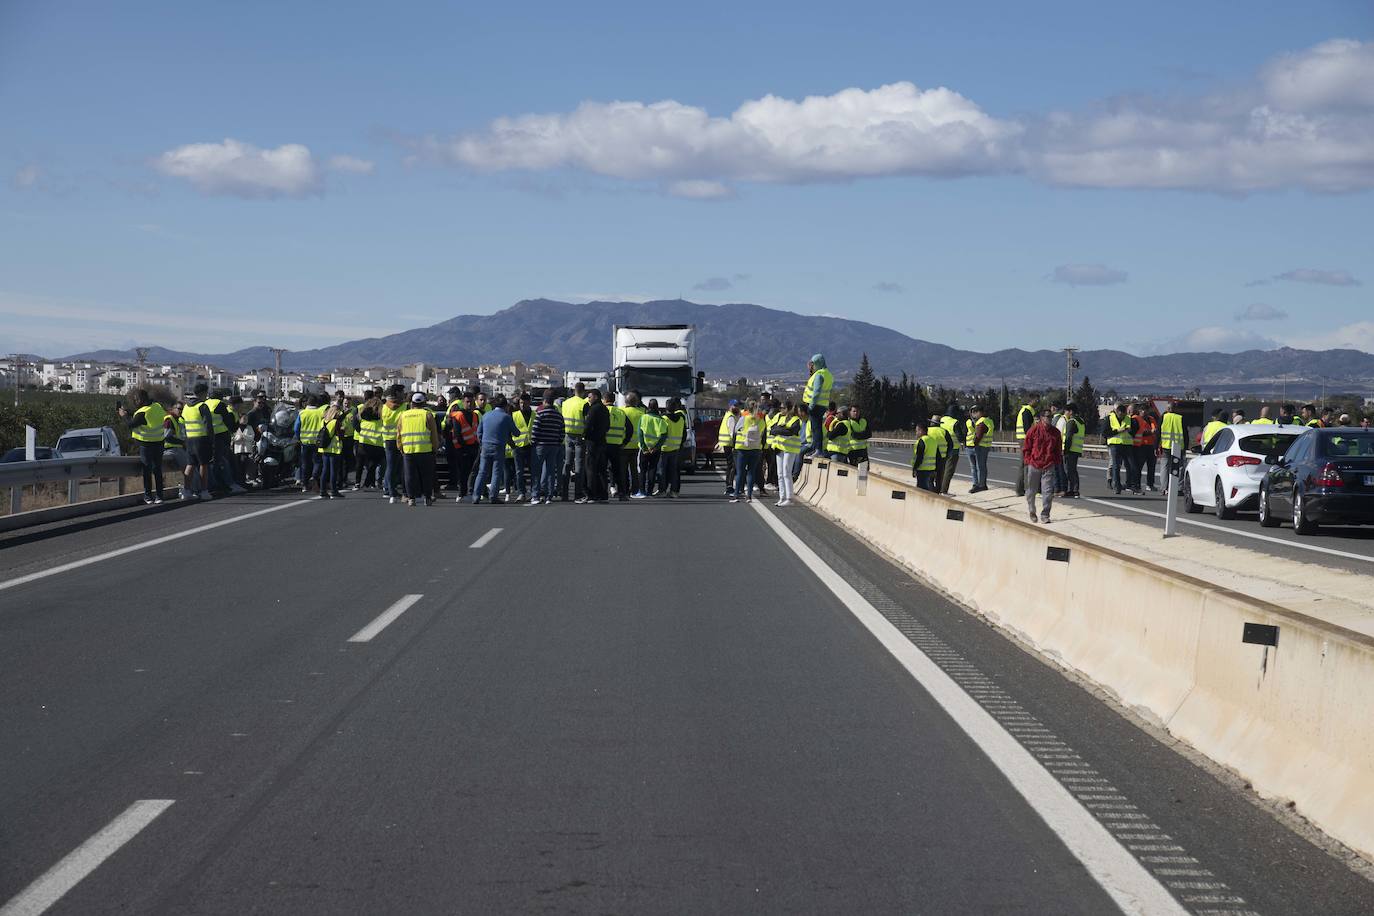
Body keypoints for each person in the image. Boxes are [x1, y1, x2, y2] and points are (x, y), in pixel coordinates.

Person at [120, 388, 170, 504]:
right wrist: (131, 413)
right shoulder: (157, 406)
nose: (134, 402)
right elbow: (144, 416)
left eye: (135, 400)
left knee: (147, 470)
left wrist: (124, 415)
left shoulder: (142, 413)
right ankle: (159, 496)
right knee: (157, 469)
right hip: (159, 442)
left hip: (146, 444)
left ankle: (148, 496)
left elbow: (131, 424)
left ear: (139, 400)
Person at [472, 395, 516, 504]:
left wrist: (482, 442)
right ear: (505, 406)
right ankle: (493, 496)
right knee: (496, 472)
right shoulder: (506, 417)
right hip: (498, 447)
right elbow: (516, 432)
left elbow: (479, 432)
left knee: (482, 472)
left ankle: (476, 496)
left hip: (485, 446)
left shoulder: (486, 415)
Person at [398, 392, 440, 506]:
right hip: (425, 450)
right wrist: (435, 448)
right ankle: (427, 498)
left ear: (412, 403)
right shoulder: (427, 415)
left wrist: (400, 448)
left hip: (408, 450)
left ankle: (411, 498)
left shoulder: (403, 415)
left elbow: (398, 434)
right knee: (426, 475)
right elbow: (434, 434)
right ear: (424, 403)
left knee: (409, 475)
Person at [1023, 409, 1062, 524]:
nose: (1049, 419)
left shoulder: (1056, 432)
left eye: (1050, 417)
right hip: (1034, 464)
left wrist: (1056, 462)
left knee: (1048, 491)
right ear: (1041, 418)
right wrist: (1028, 460)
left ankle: (1045, 514)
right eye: (1046, 416)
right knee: (1031, 490)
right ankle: (1031, 510)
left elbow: (1058, 449)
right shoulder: (1034, 430)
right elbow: (1027, 447)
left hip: (1048, 465)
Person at [529, 392, 565, 505]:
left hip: (540, 445)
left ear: (544, 401)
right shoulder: (559, 416)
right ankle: (549, 496)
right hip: (553, 446)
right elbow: (562, 432)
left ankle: (536, 495)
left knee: (536, 471)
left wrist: (534, 443)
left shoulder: (540, 414)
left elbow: (535, 431)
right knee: (550, 471)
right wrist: (557, 442)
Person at [180, 387, 215, 500]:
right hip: (201, 439)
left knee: (190, 464)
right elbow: (208, 425)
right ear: (202, 394)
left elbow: (183, 424)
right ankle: (204, 491)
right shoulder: (202, 406)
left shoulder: (186, 407)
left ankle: (186, 491)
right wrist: (211, 440)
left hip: (189, 439)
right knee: (203, 465)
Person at [730, 401, 765, 503]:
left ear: (747, 409)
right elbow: (763, 433)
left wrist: (733, 445)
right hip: (756, 448)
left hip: (742, 448)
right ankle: (749, 496)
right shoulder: (761, 420)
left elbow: (735, 431)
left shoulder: (743, 419)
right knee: (751, 472)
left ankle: (736, 495)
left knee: (740, 472)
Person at [800, 354, 834, 457]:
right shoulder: (827, 374)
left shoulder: (819, 375)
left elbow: (816, 391)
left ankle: (818, 450)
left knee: (816, 428)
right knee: (816, 427)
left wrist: (811, 406)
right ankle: (816, 449)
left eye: (813, 364)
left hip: (815, 405)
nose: (813, 366)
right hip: (822, 404)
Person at [560, 383, 588, 502]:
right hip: (579, 437)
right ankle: (578, 493)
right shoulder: (584, 404)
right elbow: (587, 421)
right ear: (583, 391)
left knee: (567, 464)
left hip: (567, 435)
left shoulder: (565, 403)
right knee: (579, 465)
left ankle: (564, 494)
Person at [353, 391, 386, 490]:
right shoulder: (381, 415)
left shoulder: (362, 414)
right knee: (373, 465)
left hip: (363, 441)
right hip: (377, 443)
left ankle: (357, 483)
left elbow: (356, 425)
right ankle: (368, 483)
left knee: (359, 464)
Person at [582, 389, 610, 503]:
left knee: (590, 469)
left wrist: (584, 435)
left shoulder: (593, 409)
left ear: (596, 397)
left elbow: (588, 425)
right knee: (601, 469)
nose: (588, 399)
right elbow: (608, 426)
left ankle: (591, 494)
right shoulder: (604, 409)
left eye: (590, 397)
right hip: (602, 441)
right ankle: (603, 494)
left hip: (592, 442)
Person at [773, 403, 803, 506]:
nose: (781, 409)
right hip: (780, 448)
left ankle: (790, 498)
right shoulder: (781, 418)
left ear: (789, 409)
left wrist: (781, 430)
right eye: (780, 407)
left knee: (786, 473)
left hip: (790, 449)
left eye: (783, 408)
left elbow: (791, 432)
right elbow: (773, 430)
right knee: (780, 474)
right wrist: (783, 429)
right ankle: (782, 497)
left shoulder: (796, 420)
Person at [381, 387, 407, 504]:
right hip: (400, 439)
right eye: (402, 392)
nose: (403, 394)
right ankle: (396, 490)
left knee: (390, 466)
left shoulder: (384, 407)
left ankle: (390, 491)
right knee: (400, 466)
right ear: (397, 393)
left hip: (387, 439)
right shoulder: (404, 406)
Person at [317, 401, 347, 499]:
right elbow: (340, 435)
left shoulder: (323, 421)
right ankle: (334, 490)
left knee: (325, 470)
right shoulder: (336, 422)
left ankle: (322, 491)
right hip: (334, 448)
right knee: (334, 470)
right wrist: (343, 430)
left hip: (324, 448)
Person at [636, 399, 665, 498]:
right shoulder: (661, 420)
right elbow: (664, 436)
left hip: (644, 448)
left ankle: (641, 491)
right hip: (655, 450)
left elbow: (640, 434)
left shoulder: (643, 418)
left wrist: (644, 447)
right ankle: (649, 491)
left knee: (642, 470)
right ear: (657, 407)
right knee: (652, 469)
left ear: (648, 407)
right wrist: (656, 447)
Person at [509, 392, 535, 502]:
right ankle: (521, 493)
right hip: (518, 447)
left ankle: (534, 492)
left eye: (524, 403)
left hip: (531, 446)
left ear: (529, 402)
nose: (522, 405)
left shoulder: (534, 414)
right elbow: (509, 431)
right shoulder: (514, 415)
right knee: (519, 472)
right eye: (520, 403)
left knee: (533, 471)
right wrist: (512, 445)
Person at [1105, 403, 1136, 495]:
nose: (1122, 416)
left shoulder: (1128, 419)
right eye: (1120, 414)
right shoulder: (1109, 418)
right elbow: (1105, 433)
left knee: (1131, 466)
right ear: (1116, 412)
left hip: (1127, 445)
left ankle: (1130, 484)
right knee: (1116, 466)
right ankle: (1117, 486)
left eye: (1124, 414)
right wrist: (1118, 431)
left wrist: (1131, 431)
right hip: (1114, 445)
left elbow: (1134, 432)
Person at [660, 397, 687, 498]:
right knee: (674, 471)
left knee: (662, 471)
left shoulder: (663, 419)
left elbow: (661, 433)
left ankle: (662, 490)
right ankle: (674, 491)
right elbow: (684, 434)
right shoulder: (681, 419)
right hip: (676, 448)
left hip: (664, 448)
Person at [605, 395, 630, 502]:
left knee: (602, 470)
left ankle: (605, 493)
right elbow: (630, 429)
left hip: (604, 444)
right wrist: (624, 442)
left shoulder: (603, 410)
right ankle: (622, 494)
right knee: (618, 470)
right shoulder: (621, 412)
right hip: (617, 445)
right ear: (613, 400)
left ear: (605, 400)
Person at [621, 391, 644, 499]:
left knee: (623, 469)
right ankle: (635, 489)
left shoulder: (621, 411)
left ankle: (624, 489)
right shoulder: (641, 413)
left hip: (624, 444)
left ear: (626, 401)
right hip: (636, 446)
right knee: (634, 469)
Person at [1013, 399, 1037, 497]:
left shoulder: (1024, 410)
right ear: (1031, 400)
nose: (1037, 402)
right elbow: (1027, 428)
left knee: (1024, 465)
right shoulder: (1027, 411)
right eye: (1036, 400)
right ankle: (1025, 489)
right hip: (1025, 440)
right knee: (1025, 464)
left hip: (1022, 439)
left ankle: (1021, 489)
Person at [1061, 404, 1085, 499]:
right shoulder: (1081, 421)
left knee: (1069, 471)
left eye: (1067, 411)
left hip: (1070, 449)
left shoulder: (1071, 421)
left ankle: (1074, 490)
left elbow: (1068, 437)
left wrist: (1065, 450)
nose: (1066, 413)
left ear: (1071, 411)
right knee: (1073, 470)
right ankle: (1073, 489)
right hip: (1077, 449)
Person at [937, 408, 962, 493]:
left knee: (941, 470)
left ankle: (938, 488)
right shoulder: (955, 422)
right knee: (949, 471)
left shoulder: (942, 420)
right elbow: (960, 437)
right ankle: (943, 490)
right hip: (953, 449)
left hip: (942, 448)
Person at [719, 401, 741, 496]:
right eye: (735, 405)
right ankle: (729, 486)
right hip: (730, 444)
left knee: (731, 465)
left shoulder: (728, 415)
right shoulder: (731, 417)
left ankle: (729, 486)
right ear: (730, 406)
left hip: (727, 443)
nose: (737, 407)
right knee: (732, 466)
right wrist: (735, 445)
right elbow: (733, 433)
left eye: (738, 406)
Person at [911, 421, 937, 492]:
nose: (916, 433)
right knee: (930, 488)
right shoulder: (933, 440)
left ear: (921, 431)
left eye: (917, 431)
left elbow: (919, 457)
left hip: (922, 469)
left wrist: (915, 468)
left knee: (922, 490)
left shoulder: (922, 441)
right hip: (932, 469)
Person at [232, 415, 256, 488]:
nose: (245, 420)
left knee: (245, 464)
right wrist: (239, 437)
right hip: (238, 450)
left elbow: (252, 437)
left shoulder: (249, 427)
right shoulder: (236, 427)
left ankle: (245, 480)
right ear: (240, 419)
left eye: (247, 419)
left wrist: (244, 437)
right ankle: (239, 480)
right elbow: (233, 437)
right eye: (244, 418)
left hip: (246, 450)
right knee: (238, 465)